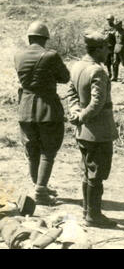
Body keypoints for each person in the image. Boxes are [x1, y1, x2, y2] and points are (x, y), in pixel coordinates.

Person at [14, 21, 70, 205]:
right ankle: (40, 190)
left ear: (29, 37)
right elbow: (65, 77)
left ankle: (39, 185)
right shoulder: (51, 55)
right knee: (48, 150)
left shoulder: (18, 55)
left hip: (25, 107)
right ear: (45, 38)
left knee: (32, 149)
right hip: (47, 108)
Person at [66, 31, 118, 228]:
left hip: (83, 131)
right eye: (106, 48)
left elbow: (70, 92)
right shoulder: (97, 70)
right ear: (98, 50)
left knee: (87, 171)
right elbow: (98, 102)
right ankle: (93, 216)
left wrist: (75, 111)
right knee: (97, 173)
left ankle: (88, 211)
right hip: (98, 131)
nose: (108, 51)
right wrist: (82, 116)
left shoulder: (78, 66)